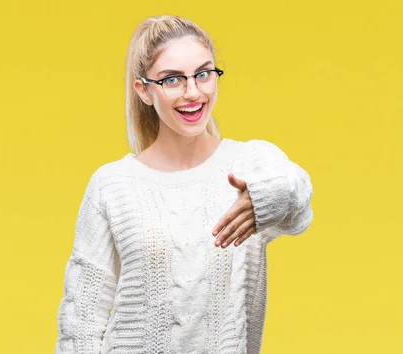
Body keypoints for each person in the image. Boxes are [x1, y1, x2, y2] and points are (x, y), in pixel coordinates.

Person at [54, 15, 314, 354]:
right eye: (172, 80)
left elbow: (299, 206)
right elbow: (81, 320)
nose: (193, 93)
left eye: (204, 74)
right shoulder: (112, 185)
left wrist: (265, 197)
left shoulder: (251, 164)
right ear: (144, 90)